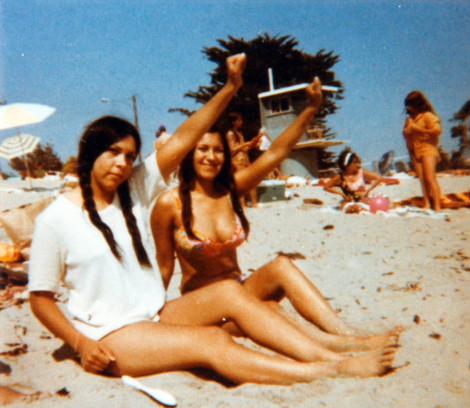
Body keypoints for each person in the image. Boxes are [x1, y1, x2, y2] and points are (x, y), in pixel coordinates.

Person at [28, 55, 397, 384]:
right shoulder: (55, 220)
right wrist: (78, 342)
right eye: (113, 153)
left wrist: (229, 88)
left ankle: (334, 354)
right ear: (88, 155)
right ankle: (326, 370)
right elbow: (41, 299)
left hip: (155, 316)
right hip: (111, 336)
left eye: (129, 156)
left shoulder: (134, 192)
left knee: (227, 291)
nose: (123, 164)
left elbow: (186, 135)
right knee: (213, 340)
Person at [151, 78, 400, 354]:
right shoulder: (169, 203)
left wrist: (309, 109)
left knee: (281, 265)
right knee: (268, 309)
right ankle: (344, 345)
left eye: (218, 150)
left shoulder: (230, 190)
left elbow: (277, 152)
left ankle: (345, 334)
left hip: (239, 290)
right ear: (189, 154)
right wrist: (148, 316)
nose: (211, 157)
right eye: (203, 149)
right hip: (202, 306)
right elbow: (164, 267)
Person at [402, 90, 442, 211]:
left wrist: (417, 129)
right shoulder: (410, 119)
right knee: (422, 180)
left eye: (410, 104)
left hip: (428, 148)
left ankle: (437, 204)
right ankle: (427, 203)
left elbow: (437, 131)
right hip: (415, 150)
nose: (408, 107)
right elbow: (406, 133)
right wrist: (407, 131)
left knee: (430, 178)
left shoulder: (428, 116)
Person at [322, 150, 399, 205]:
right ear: (347, 164)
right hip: (350, 202)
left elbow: (379, 178)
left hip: (363, 200)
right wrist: (340, 194)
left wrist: (368, 190)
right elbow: (326, 187)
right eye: (355, 162)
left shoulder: (361, 173)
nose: (357, 164)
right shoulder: (340, 176)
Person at [226, 111, 261, 207]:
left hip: (245, 158)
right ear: (233, 122)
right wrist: (245, 144)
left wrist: (252, 145)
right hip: (237, 160)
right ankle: (242, 205)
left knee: (251, 181)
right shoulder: (230, 134)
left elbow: (244, 149)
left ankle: (254, 203)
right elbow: (232, 149)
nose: (241, 122)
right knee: (241, 182)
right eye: (239, 120)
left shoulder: (239, 133)